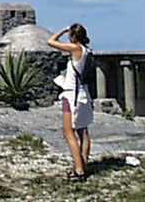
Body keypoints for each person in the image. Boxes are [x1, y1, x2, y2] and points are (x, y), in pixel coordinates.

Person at [47, 23, 93, 182]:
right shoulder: (87, 51)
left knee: (68, 133)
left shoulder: (75, 48)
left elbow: (51, 41)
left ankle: (79, 170)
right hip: (84, 94)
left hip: (72, 95)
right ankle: (84, 165)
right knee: (83, 132)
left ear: (73, 37)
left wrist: (64, 29)